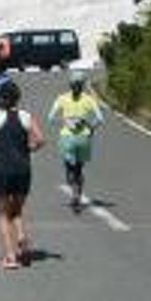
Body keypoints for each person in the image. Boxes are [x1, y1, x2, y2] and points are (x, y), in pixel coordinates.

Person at [0, 79, 44, 269]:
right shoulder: (26, 115)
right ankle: (21, 236)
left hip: (4, 168)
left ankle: (10, 256)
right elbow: (41, 140)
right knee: (17, 208)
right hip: (24, 168)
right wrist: (28, 149)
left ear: (1, 98)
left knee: (3, 214)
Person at [48, 69, 105, 211]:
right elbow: (100, 118)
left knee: (69, 168)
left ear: (70, 84)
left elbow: (50, 117)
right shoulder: (89, 99)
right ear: (83, 85)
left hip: (67, 137)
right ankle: (77, 193)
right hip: (84, 137)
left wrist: (66, 121)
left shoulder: (62, 98)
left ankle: (74, 189)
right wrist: (90, 126)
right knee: (79, 168)